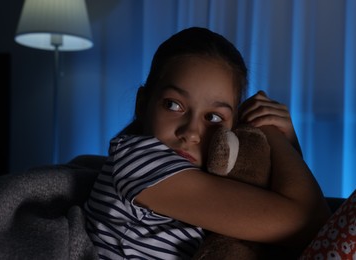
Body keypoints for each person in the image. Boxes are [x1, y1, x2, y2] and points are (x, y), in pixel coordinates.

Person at [84, 27, 331, 259]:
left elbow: (299, 231)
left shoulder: (210, 180)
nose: (191, 132)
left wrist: (288, 139)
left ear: (234, 129)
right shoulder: (137, 161)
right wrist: (271, 132)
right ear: (143, 104)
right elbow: (308, 223)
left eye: (213, 118)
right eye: (174, 105)